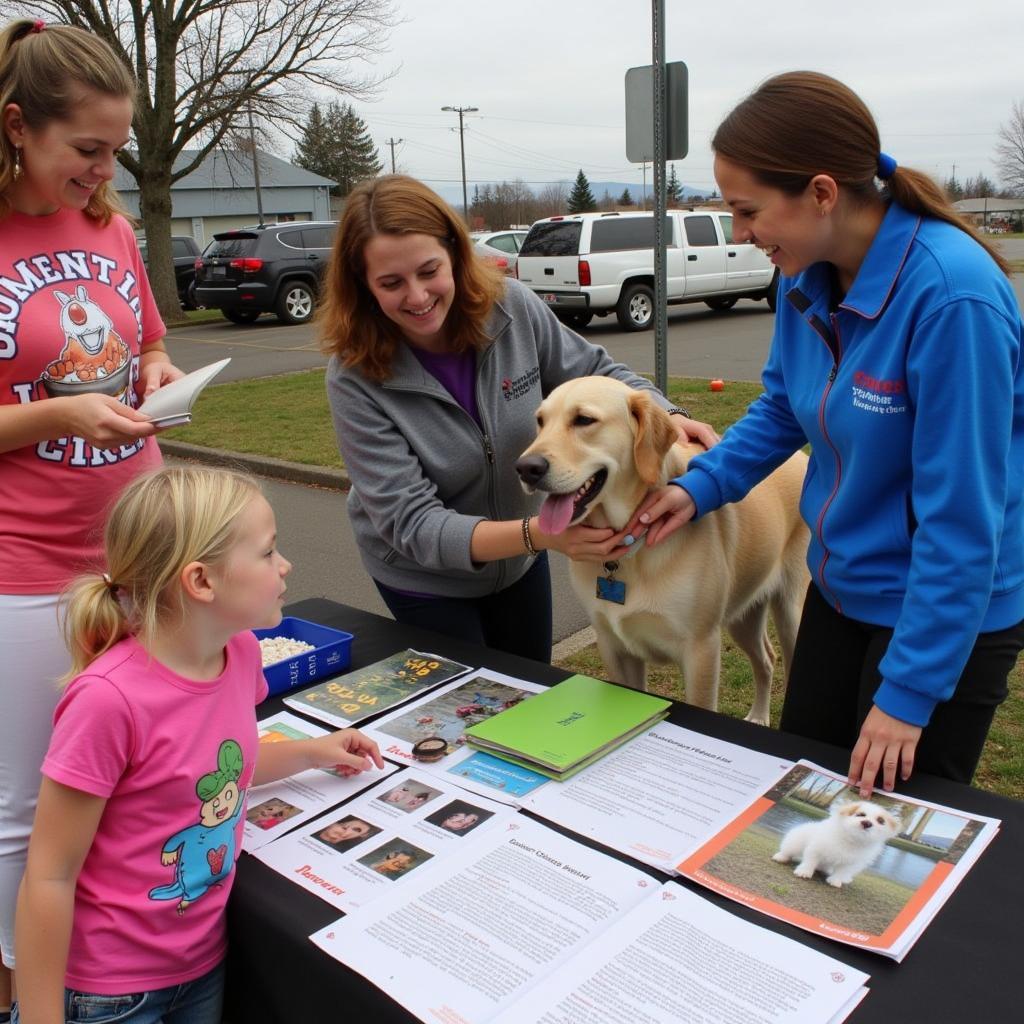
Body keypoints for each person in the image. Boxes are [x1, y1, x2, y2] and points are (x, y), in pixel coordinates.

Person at [635, 71, 1024, 799]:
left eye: (748, 211)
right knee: (801, 796)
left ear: (820, 192)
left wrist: (908, 695)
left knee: (887, 840)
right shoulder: (806, 274)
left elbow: (964, 523)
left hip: (942, 613)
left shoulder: (952, 300)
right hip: (843, 593)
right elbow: (785, 406)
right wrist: (701, 488)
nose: (741, 233)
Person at [13, 467, 384, 1024]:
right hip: (107, 993)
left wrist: (313, 751)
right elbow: (48, 874)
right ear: (202, 581)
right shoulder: (107, 702)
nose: (285, 566)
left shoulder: (240, 655)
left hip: (199, 965)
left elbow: (218, 773)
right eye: (268, 552)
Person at [319, 174, 718, 662]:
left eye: (429, 271)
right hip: (429, 581)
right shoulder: (354, 377)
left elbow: (596, 371)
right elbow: (413, 524)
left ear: (455, 255)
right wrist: (541, 535)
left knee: (534, 689)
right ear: (362, 285)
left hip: (520, 564)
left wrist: (669, 414)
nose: (418, 296)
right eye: (391, 283)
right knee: (465, 711)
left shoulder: (511, 309)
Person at [0, 19, 184, 1010]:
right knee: (30, 805)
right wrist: (57, 415)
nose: (104, 169)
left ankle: (122, 968)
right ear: (17, 126)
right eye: (88, 149)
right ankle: (27, 992)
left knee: (143, 774)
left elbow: (145, 341)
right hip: (27, 567)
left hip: (138, 549)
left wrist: (154, 371)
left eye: (117, 150)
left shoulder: (109, 226)